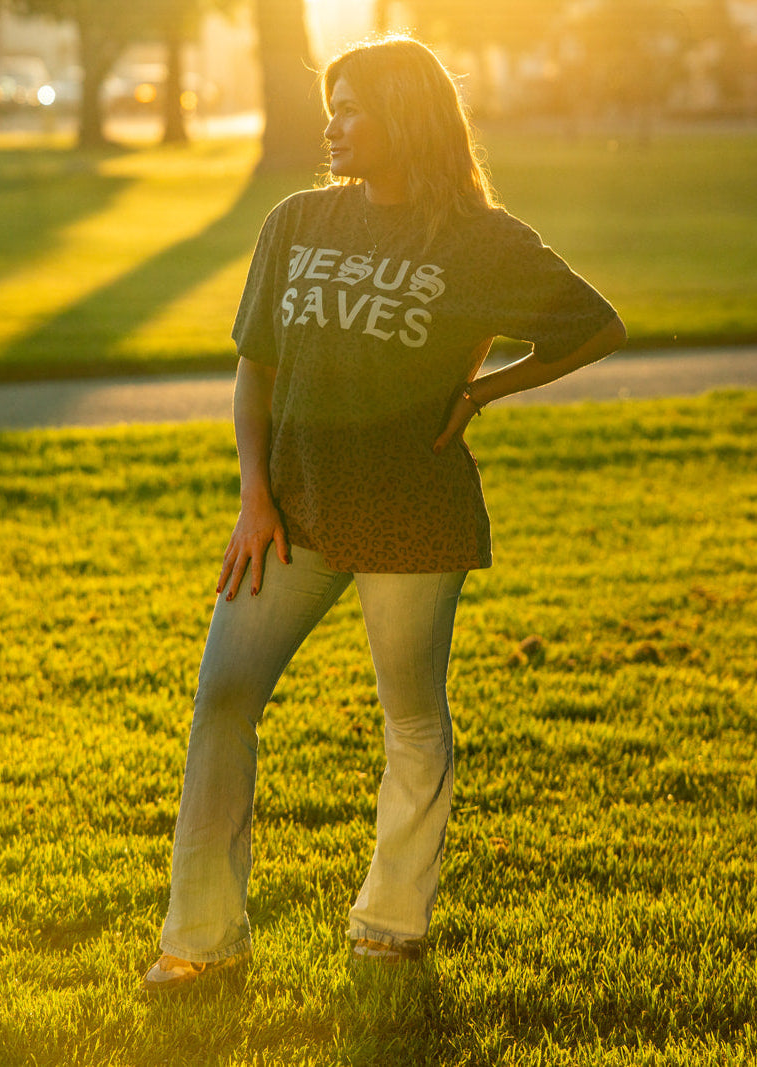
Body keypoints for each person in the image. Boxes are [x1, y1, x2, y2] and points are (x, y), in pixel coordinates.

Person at [143, 34, 626, 990]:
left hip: (415, 515)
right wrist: (253, 497)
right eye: (332, 105)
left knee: (411, 719)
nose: (334, 124)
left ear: (407, 117)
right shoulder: (297, 221)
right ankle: (200, 943)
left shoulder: (481, 240)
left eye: (354, 106)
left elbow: (596, 325)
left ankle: (391, 924)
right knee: (222, 704)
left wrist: (485, 390)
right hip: (294, 514)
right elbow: (258, 367)